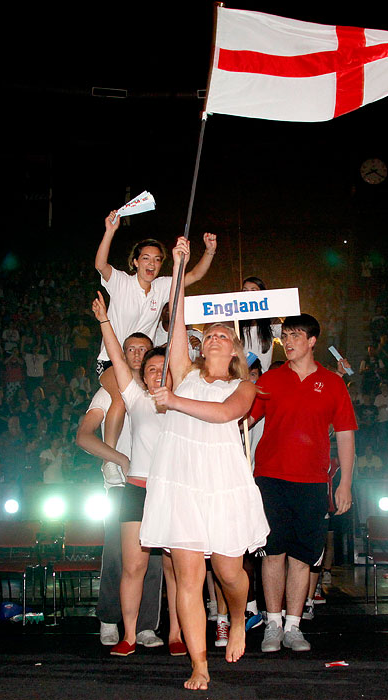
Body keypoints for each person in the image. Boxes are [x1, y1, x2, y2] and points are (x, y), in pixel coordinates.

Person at [139, 237, 269, 691]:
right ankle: (199, 664)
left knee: (230, 571)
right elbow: (175, 321)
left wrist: (173, 400)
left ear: (234, 349)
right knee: (189, 576)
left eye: (224, 335)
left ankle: (236, 616)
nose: (214, 336)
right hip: (180, 481)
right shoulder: (186, 371)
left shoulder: (246, 386)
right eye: (209, 333)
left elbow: (225, 414)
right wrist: (178, 267)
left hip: (223, 482)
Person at [249, 313, 356, 654]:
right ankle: (273, 624)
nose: (288, 341)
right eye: (284, 335)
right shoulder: (269, 379)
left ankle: (293, 626)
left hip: (312, 482)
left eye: (295, 335)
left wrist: (345, 484)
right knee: (272, 554)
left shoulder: (333, 383)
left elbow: (346, 436)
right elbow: (243, 419)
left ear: (312, 341)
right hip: (270, 479)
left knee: (301, 557)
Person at [91, 293, 185, 659]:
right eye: (149, 369)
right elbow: (116, 357)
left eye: (162, 369)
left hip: (174, 491)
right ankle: (129, 634)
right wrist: (104, 321)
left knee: (178, 570)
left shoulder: (186, 400)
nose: (155, 373)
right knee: (134, 566)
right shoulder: (135, 398)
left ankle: (176, 632)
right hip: (136, 490)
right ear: (142, 377)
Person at [94, 210, 217, 462]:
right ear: (135, 262)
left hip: (143, 362)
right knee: (119, 399)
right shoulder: (120, 282)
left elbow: (193, 275)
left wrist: (210, 252)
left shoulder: (162, 286)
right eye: (146, 258)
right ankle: (110, 460)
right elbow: (100, 265)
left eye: (158, 260)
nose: (151, 264)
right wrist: (110, 231)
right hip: (111, 361)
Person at [75, 332, 165, 648]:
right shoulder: (108, 393)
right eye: (131, 349)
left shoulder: (158, 392)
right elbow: (83, 436)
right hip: (118, 486)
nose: (138, 354)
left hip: (154, 485)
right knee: (117, 557)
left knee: (153, 560)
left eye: (144, 349)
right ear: (123, 355)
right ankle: (109, 619)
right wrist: (118, 458)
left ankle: (145, 626)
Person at [238, 276, 281, 372]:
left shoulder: (271, 321)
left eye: (253, 291)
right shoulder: (235, 321)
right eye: (245, 291)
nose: (248, 294)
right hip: (241, 377)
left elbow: (288, 337)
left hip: (263, 376)